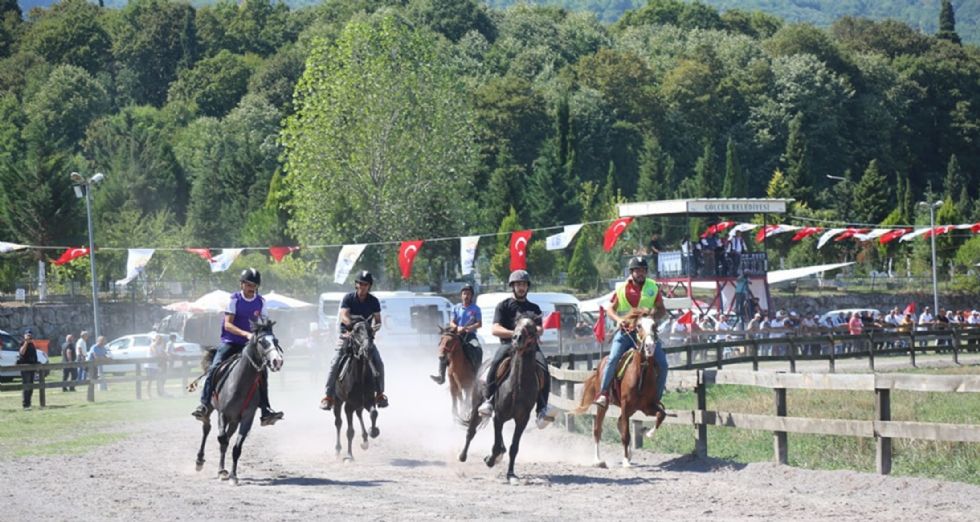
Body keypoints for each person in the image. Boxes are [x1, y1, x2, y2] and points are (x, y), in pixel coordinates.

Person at [192, 268, 283, 425]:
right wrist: (246, 334)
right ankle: (204, 404)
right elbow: (228, 325)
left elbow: (264, 323)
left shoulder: (261, 302)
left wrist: (267, 337)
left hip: (250, 346)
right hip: (231, 342)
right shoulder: (234, 300)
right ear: (242, 284)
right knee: (214, 368)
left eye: (254, 285)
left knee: (263, 373)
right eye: (248, 284)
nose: (251, 287)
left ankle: (265, 410)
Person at [477, 270, 555, 429]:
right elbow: (495, 329)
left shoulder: (534, 308)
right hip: (509, 345)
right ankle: (489, 400)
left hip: (531, 347)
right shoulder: (503, 306)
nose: (521, 287)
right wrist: (516, 334)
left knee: (544, 368)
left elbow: (539, 327)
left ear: (527, 287)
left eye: (524, 284)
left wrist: (537, 330)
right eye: (518, 284)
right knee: (496, 362)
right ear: (512, 286)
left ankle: (542, 409)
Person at [594, 256, 668, 410]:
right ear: (632, 272)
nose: (640, 273)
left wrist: (652, 318)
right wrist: (618, 319)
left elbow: (662, 309)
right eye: (637, 270)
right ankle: (604, 393)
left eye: (643, 270)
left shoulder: (653, 287)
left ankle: (656, 398)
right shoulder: (621, 289)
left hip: (646, 332)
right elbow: (610, 309)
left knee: (663, 364)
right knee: (613, 358)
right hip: (626, 332)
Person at [319, 270, 389, 410]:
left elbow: (378, 320)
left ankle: (380, 394)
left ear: (369, 286)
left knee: (379, 362)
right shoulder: (348, 298)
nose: (362, 286)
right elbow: (344, 315)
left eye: (365, 284)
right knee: (335, 362)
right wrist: (350, 327)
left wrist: (373, 330)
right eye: (359, 283)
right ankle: (328, 397)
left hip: (365, 339)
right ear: (356, 284)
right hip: (348, 336)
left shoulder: (374, 301)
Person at [431, 284, 482, 385]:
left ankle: (476, 374)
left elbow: (479, 323)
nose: (466, 296)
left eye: (468, 294)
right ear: (461, 295)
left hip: (470, 335)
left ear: (471, 296)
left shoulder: (476, 308)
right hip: (457, 334)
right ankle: (441, 375)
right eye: (464, 293)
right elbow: (452, 322)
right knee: (444, 348)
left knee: (477, 348)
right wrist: (457, 327)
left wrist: (469, 328)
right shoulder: (456, 308)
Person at [18, 328, 39, 410]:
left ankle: (29, 403)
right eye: (28, 335)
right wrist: (26, 342)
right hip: (25, 368)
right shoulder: (22, 343)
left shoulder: (32, 344)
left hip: (32, 368)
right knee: (26, 386)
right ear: (25, 336)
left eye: (30, 335)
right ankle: (25, 404)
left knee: (30, 387)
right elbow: (21, 352)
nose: (29, 337)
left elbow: (34, 356)